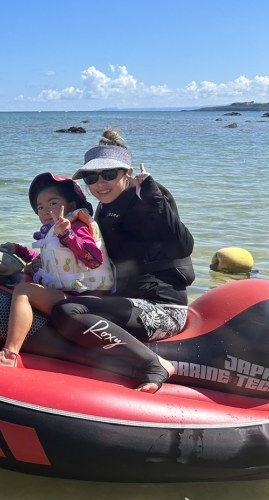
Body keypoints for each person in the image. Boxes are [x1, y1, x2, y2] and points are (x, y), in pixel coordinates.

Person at [50, 128, 195, 393]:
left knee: (67, 312)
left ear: (127, 174)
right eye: (91, 177)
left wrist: (156, 203)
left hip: (162, 309)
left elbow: (183, 245)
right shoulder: (106, 208)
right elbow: (93, 258)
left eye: (109, 174)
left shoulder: (147, 199)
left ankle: (154, 364)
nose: (100, 183)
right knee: (63, 303)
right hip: (130, 301)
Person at [0, 172, 114, 367]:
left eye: (53, 203)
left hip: (87, 298)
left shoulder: (76, 226)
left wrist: (67, 234)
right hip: (72, 293)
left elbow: (94, 259)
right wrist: (20, 250)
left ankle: (9, 355)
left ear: (71, 205)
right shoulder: (56, 231)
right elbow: (48, 262)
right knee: (29, 273)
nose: (46, 210)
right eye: (40, 207)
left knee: (24, 291)